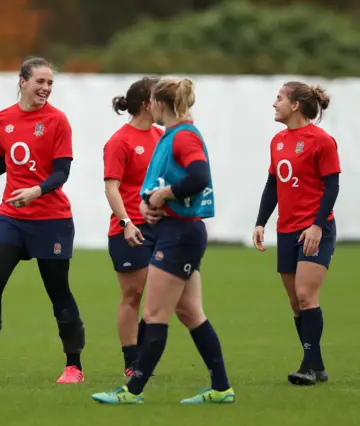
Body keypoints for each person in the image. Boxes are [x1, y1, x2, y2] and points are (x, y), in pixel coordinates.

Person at [91, 77, 235, 405]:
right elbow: (161, 184)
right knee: (190, 313)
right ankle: (222, 388)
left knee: (155, 313)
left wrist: (165, 195)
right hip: (176, 230)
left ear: (157, 104)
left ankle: (132, 391)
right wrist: (150, 203)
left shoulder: (182, 135)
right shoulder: (171, 135)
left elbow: (198, 177)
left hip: (179, 236)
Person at [0, 57, 85, 384]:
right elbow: (3, 160)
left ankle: (73, 367)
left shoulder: (58, 121)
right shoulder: (4, 118)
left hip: (51, 218)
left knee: (58, 291)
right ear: (22, 81)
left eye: (50, 83)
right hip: (12, 216)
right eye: (40, 81)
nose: (46, 88)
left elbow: (62, 172)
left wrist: (36, 191)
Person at [253, 81, 339, 386]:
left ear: (295, 105)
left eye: (279, 98)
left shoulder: (322, 141)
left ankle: (308, 366)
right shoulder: (278, 141)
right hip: (286, 229)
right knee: (295, 303)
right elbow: (273, 185)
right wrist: (261, 221)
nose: (273, 104)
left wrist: (317, 224)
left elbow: (331, 187)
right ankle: (316, 366)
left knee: (306, 295)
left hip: (315, 229)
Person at [103, 77, 162, 376]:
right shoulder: (119, 141)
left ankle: (142, 355)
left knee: (160, 296)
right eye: (158, 97)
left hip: (161, 228)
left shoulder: (163, 136)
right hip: (128, 229)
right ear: (145, 104)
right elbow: (111, 188)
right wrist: (126, 222)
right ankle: (132, 362)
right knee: (134, 295)